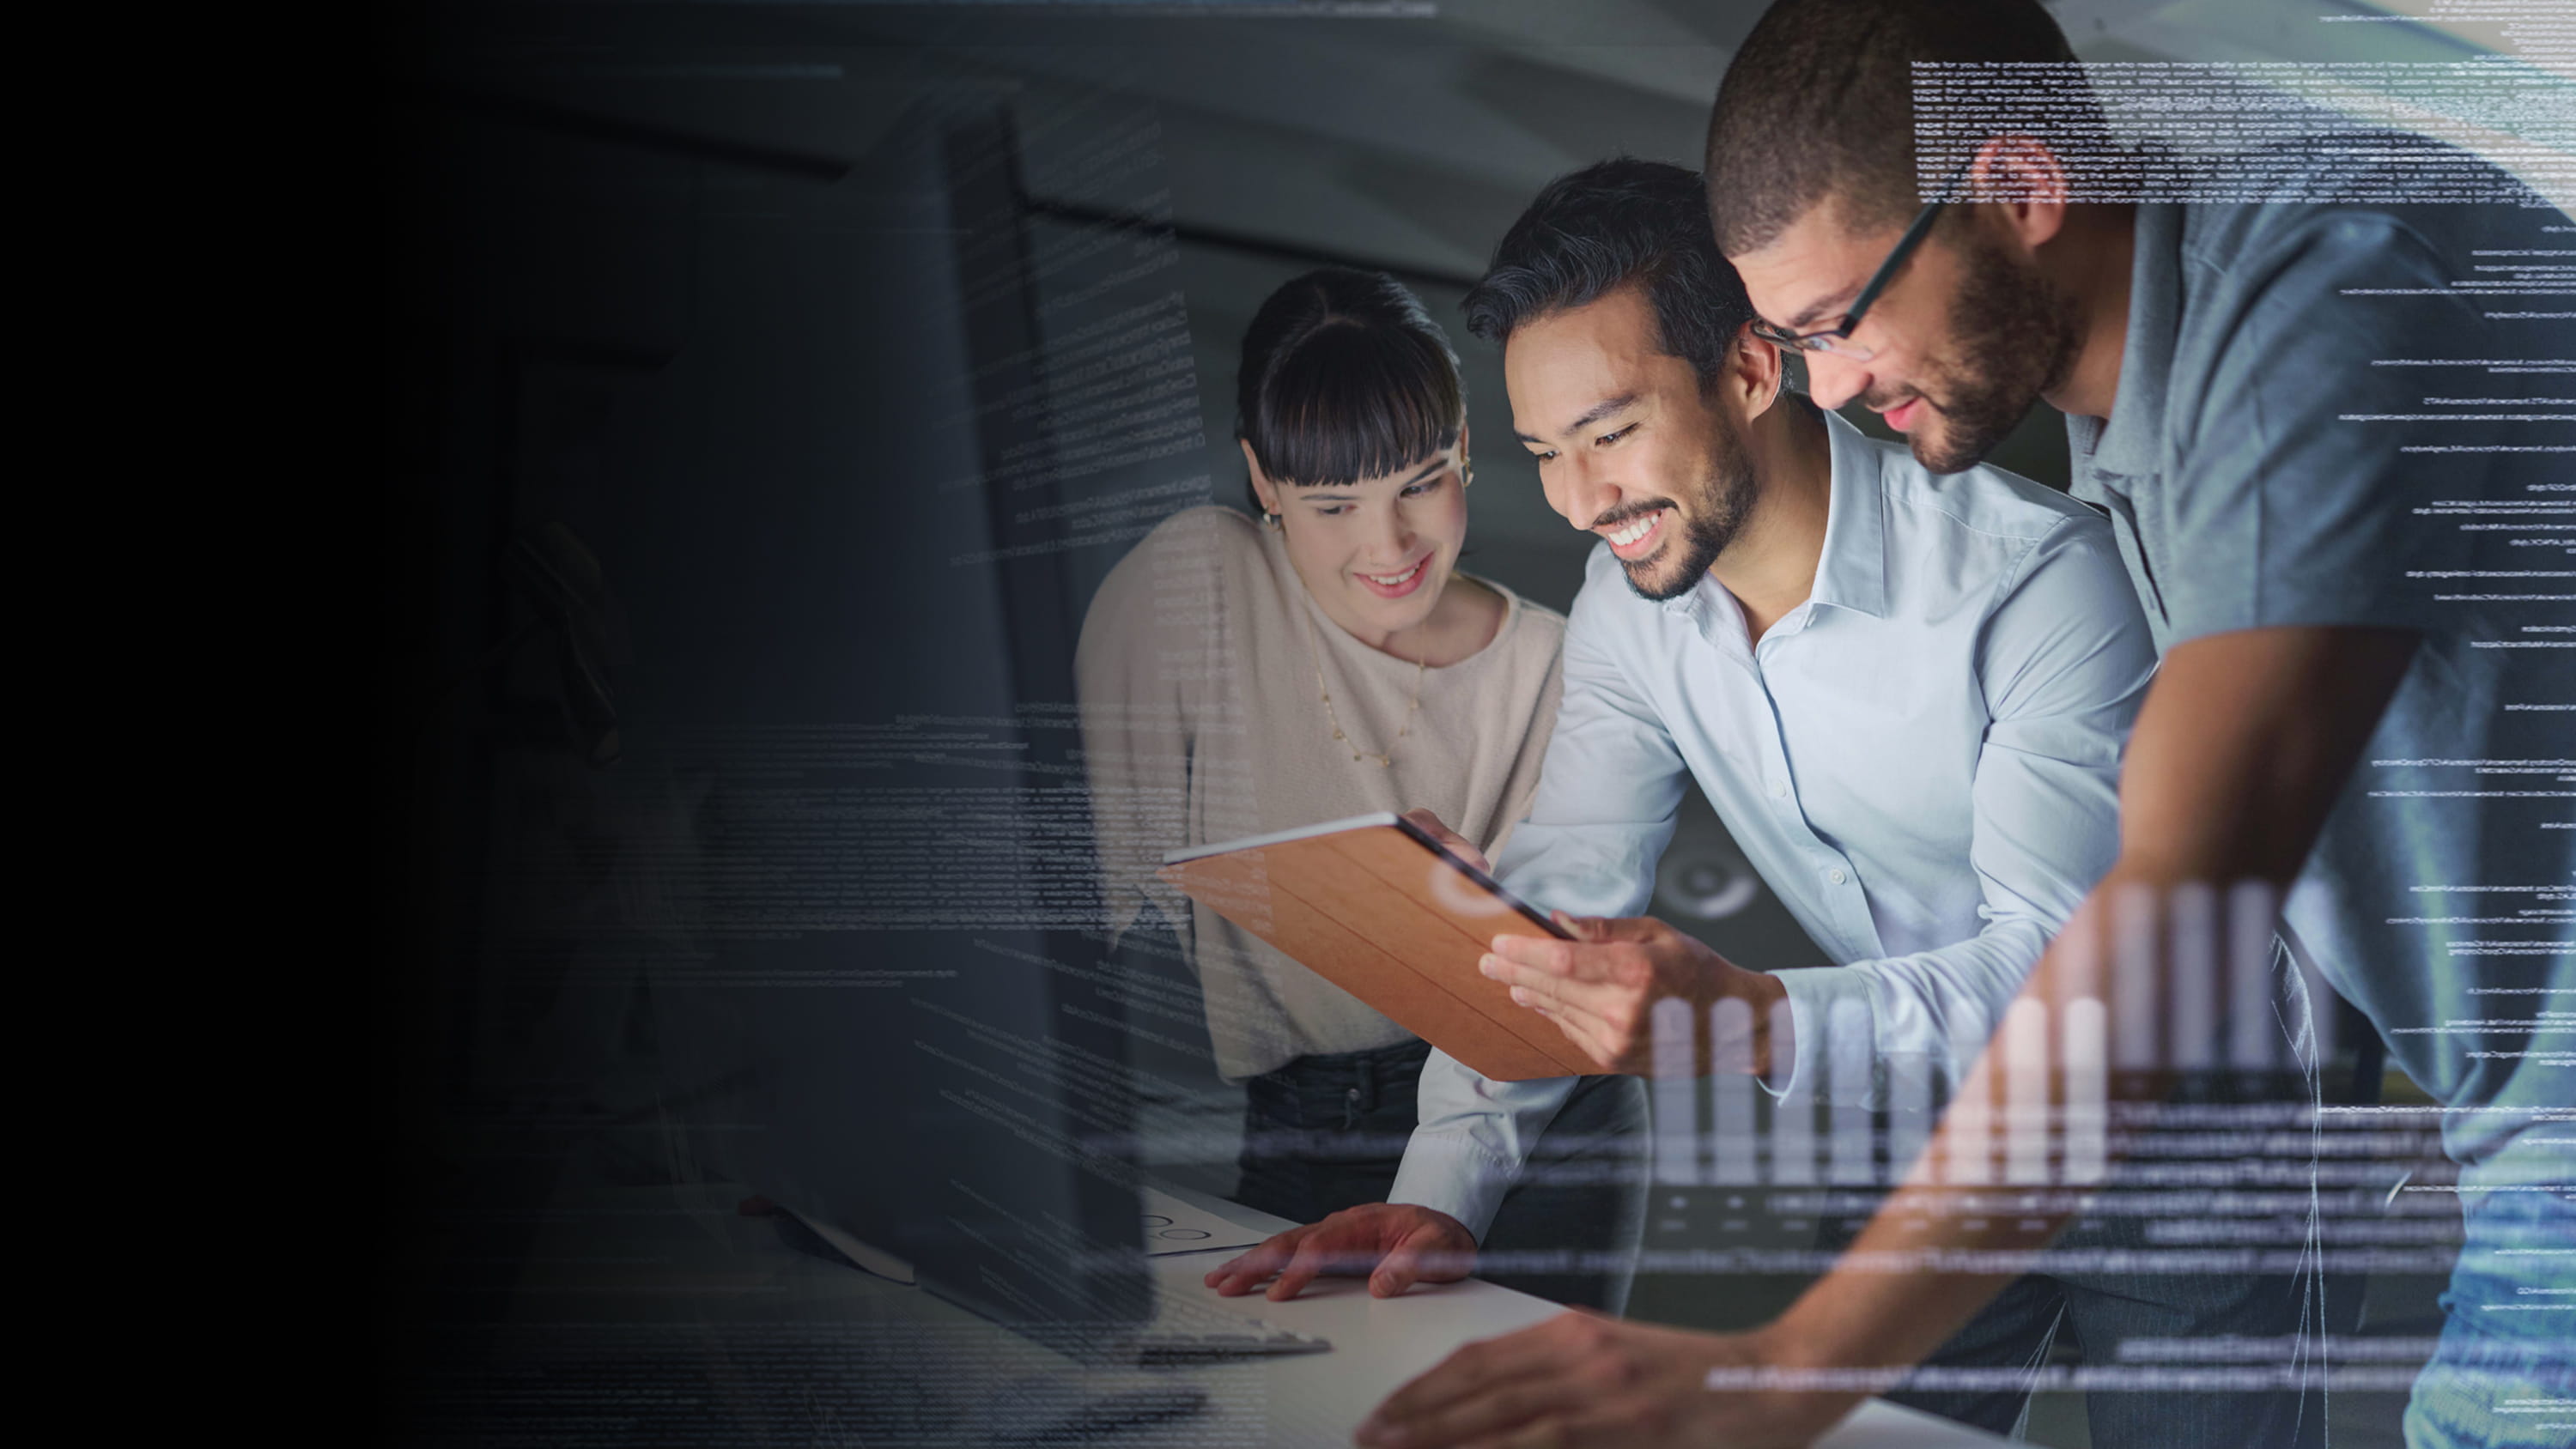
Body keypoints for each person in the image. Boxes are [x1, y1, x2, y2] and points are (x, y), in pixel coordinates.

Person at [1356, 3, 2573, 1447]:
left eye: (1833, 322)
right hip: (2487, 1142)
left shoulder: (2326, 275)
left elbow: (2172, 904)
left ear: (2017, 189)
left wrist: (1782, 1369)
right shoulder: (2152, 399)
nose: (1829, 387)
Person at [1203, 161, 2300, 1442]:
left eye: (1609, 432)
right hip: (1910, 1125)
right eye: (1544, 453)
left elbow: (2057, 979)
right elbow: (1564, 895)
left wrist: (1754, 1020)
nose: (1577, 499)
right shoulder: (1630, 606)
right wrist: (1440, 1191)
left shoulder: (2042, 586)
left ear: (1751, 370)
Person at [1074, 266, 1649, 1313]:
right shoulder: (1194, 587)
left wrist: (1464, 929)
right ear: (1262, 477)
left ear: (1467, 444)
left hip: (1525, 1130)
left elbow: (1556, 984)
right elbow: (1087, 904)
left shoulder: (1557, 666)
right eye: (1332, 504)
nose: (1388, 549)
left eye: (1422, 482)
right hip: (1291, 1111)